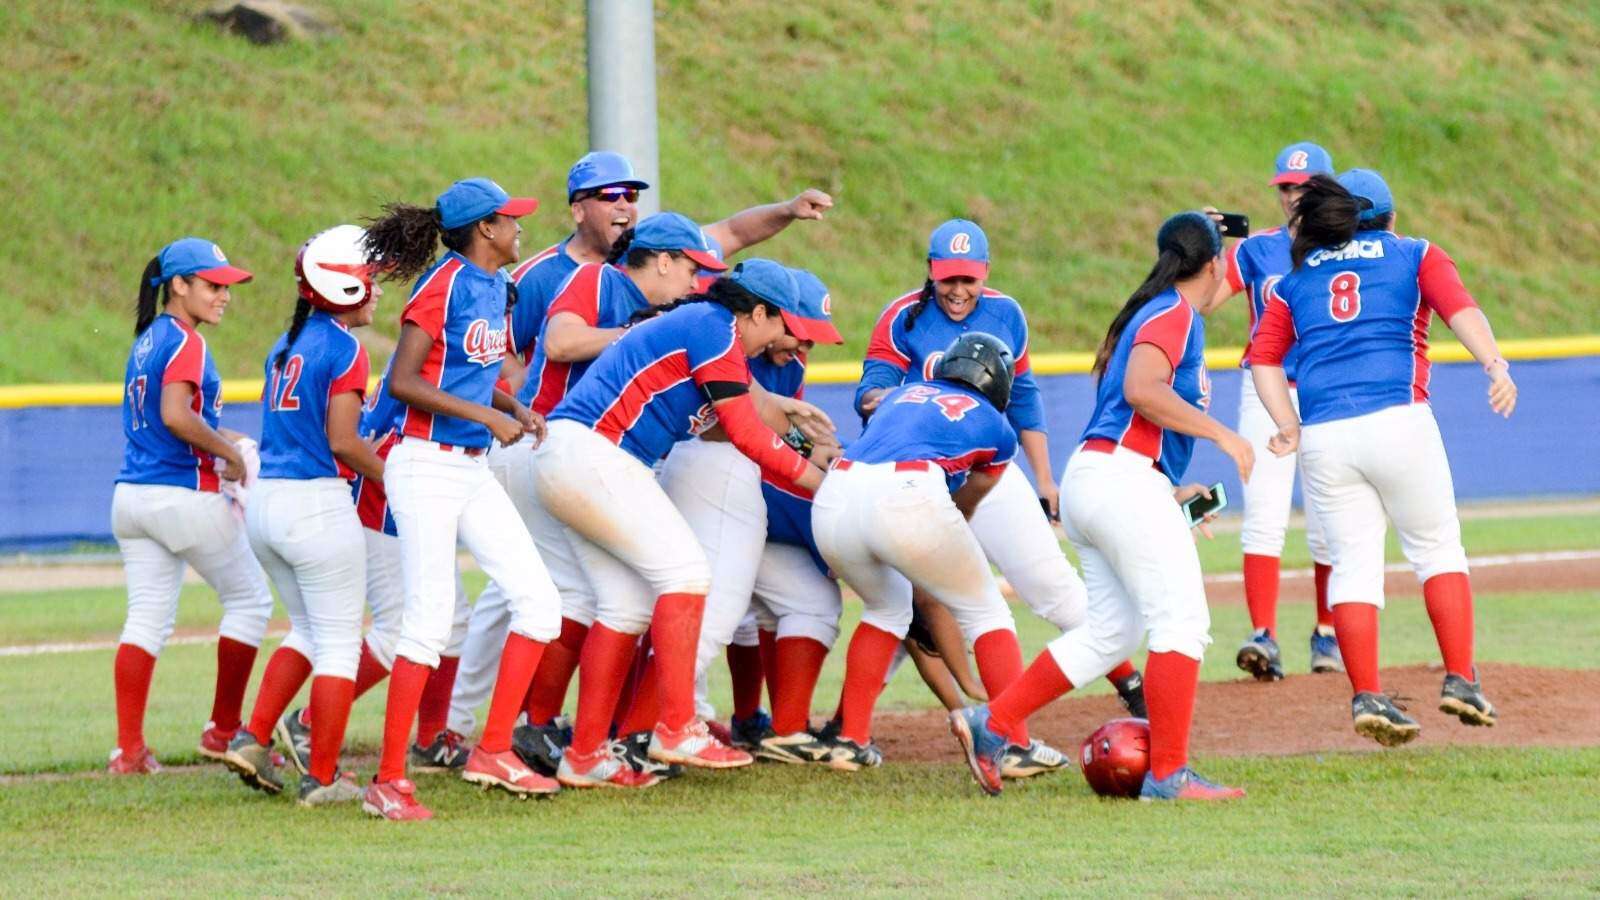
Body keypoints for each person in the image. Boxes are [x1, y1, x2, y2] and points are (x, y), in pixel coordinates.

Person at [450, 150, 835, 741]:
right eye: (610, 195)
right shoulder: (595, 277)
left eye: (630, 194)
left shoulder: (680, 309)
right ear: (657, 260)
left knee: (610, 598)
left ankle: (576, 739)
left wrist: (786, 209)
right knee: (567, 594)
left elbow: (733, 232)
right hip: (547, 443)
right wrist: (643, 334)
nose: (697, 280)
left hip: (573, 450)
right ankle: (505, 728)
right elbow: (555, 342)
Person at [950, 212, 1253, 801]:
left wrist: (1167, 488)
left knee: (1112, 633)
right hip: (1118, 481)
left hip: (1101, 477)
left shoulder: (1156, 307)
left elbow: (1131, 419)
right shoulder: (1174, 312)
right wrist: (1224, 436)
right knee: (1182, 624)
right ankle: (1168, 775)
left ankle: (994, 724)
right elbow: (1143, 390)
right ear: (1212, 265)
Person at [531, 264, 829, 788]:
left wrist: (780, 409)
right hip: (595, 455)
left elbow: (746, 403)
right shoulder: (714, 326)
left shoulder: (708, 325)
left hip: (574, 455)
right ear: (756, 311)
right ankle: (675, 726)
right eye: (778, 324)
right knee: (688, 574)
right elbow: (748, 437)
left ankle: (584, 755)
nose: (781, 338)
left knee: (626, 606)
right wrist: (821, 483)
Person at [1249, 170, 1515, 746]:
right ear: (1389, 217)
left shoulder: (1296, 279)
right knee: (1437, 548)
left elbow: (1263, 359)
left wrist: (1287, 425)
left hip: (1325, 437)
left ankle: (1367, 693)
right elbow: (1461, 310)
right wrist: (1495, 365)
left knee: (1353, 566)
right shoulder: (1415, 252)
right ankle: (1461, 679)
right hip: (1399, 420)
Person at [855, 219, 1147, 716]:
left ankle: (1133, 688)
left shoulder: (1006, 312)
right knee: (901, 605)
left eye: (968, 278)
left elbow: (1026, 399)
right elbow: (869, 389)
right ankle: (849, 725)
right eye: (948, 278)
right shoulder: (901, 317)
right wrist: (892, 398)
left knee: (1051, 585)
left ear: (986, 272)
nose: (958, 290)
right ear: (931, 271)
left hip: (986, 469)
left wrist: (1045, 478)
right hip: (916, 478)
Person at [356, 177, 565, 820]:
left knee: (539, 603)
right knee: (428, 620)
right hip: (421, 463)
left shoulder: (499, 287)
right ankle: (388, 781)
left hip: (469, 465)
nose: (519, 226)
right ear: (484, 230)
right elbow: (405, 381)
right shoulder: (442, 283)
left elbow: (467, 375)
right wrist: (488, 412)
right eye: (509, 219)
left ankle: (493, 750)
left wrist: (512, 407)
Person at [815, 332, 1043, 772]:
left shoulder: (901, 395)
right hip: (907, 491)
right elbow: (968, 502)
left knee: (885, 610)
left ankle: (851, 739)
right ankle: (1013, 743)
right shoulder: (999, 427)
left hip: (836, 492)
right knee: (988, 613)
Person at [656, 263, 846, 763]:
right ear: (768, 316)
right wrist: (815, 475)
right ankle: (650, 726)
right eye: (797, 335)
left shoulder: (786, 362)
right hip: (695, 473)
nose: (800, 350)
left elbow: (777, 431)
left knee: (804, 601)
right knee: (704, 611)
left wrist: (808, 443)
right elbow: (727, 427)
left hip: (735, 482)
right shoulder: (728, 337)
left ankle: (757, 724)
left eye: (811, 343)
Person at [221, 225, 383, 805]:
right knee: (339, 643)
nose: (376, 290)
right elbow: (343, 441)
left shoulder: (285, 343)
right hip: (315, 501)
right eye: (368, 281)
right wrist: (399, 481)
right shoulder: (344, 349)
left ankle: (252, 736)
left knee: (309, 631)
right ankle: (323, 776)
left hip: (268, 504)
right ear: (340, 289)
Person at [109, 237, 273, 775]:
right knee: (250, 602)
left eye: (226, 285)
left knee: (146, 620)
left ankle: (129, 750)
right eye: (212, 284)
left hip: (132, 497)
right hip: (180, 494)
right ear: (177, 286)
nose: (224, 294)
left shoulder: (148, 339)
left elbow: (170, 416)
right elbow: (178, 416)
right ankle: (224, 730)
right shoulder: (186, 341)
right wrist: (230, 452)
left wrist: (227, 437)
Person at [1204, 142, 1341, 680]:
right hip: (1265, 386)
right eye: (1286, 186)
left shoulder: (1348, 247)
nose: (1293, 196)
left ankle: (1326, 632)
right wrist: (1208, 247)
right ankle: (1264, 634)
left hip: (1328, 387)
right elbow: (1204, 300)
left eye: (1304, 186)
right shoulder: (1257, 250)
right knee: (1263, 512)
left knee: (1329, 518)